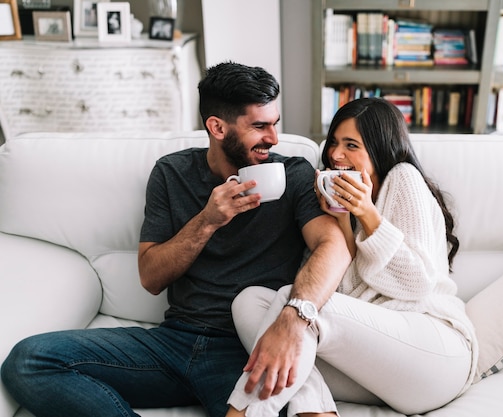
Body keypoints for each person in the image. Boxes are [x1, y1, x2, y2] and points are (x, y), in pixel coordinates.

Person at [0, 62, 351, 417]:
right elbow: (151, 278)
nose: (273, 138)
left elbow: (333, 247)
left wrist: (292, 320)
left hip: (245, 348)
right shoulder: (172, 173)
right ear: (216, 127)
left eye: (274, 123)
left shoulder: (293, 174)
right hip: (173, 342)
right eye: (259, 126)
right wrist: (207, 221)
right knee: (28, 361)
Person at [225, 97, 478, 417]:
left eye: (351, 145)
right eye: (333, 143)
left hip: (434, 355)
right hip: (375, 371)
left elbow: (417, 286)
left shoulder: (402, 179)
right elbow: (337, 298)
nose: (335, 154)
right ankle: (316, 411)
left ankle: (242, 413)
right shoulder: (333, 199)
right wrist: (341, 221)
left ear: (379, 149)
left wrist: (369, 215)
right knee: (251, 302)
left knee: (296, 303)